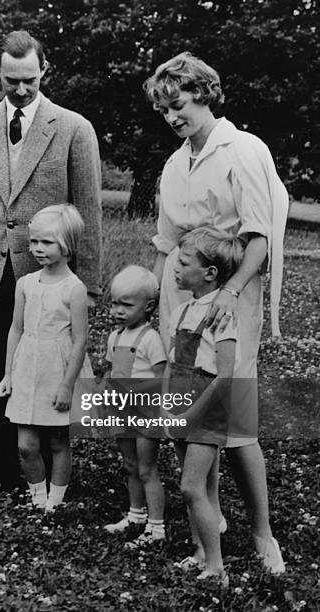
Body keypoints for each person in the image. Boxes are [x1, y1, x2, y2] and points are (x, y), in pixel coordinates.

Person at [144, 51, 287, 574]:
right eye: (163, 110)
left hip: (229, 292)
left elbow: (258, 238)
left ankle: (262, 533)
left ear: (203, 93)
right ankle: (212, 527)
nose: (172, 117)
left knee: (235, 416)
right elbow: (165, 242)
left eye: (177, 104)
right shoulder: (174, 161)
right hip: (179, 292)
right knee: (185, 408)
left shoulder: (242, 149)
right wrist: (155, 303)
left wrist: (230, 292)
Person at [0, 30, 102, 490]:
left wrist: (89, 285)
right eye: (10, 80)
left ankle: (52, 469)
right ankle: (3, 471)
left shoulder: (74, 127)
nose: (20, 89)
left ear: (44, 72)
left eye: (29, 80)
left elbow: (89, 213)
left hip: (50, 277)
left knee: (47, 367)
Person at [0, 205, 93, 510]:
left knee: (57, 441)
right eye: (34, 241)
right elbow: (15, 329)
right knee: (26, 444)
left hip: (58, 369)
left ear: (67, 245)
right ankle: (37, 499)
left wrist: (67, 386)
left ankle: (55, 501)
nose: (38, 248)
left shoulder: (74, 289)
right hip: (28, 367)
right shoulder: (25, 284)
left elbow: (80, 341)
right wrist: (8, 373)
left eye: (47, 242)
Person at [165, 227, 245, 585]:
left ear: (210, 273)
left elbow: (225, 377)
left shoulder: (222, 314)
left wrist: (192, 413)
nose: (175, 269)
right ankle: (200, 552)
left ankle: (217, 568)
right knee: (204, 489)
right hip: (180, 403)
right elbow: (171, 363)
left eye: (183, 263)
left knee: (190, 487)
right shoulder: (182, 310)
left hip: (206, 408)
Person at [103, 266, 167, 547]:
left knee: (146, 468)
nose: (118, 310)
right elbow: (110, 372)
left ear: (148, 306)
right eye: (114, 303)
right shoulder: (115, 337)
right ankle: (135, 514)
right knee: (130, 465)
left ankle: (156, 527)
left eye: (126, 305)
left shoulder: (150, 339)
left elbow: (163, 377)